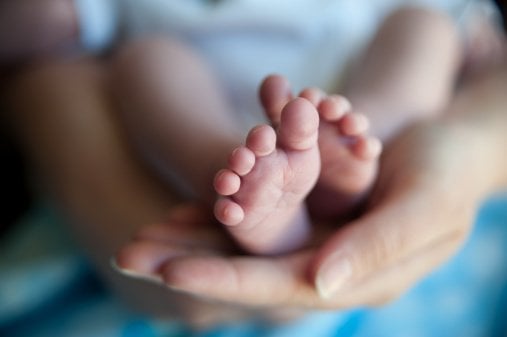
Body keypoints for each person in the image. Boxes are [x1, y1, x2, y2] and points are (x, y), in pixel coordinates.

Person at [1, 0, 506, 331]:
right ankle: (224, 171)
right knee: (145, 61)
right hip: (212, 106)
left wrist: (468, 33)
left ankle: (362, 142)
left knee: (425, 28)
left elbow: (463, 23)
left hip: (351, 83)